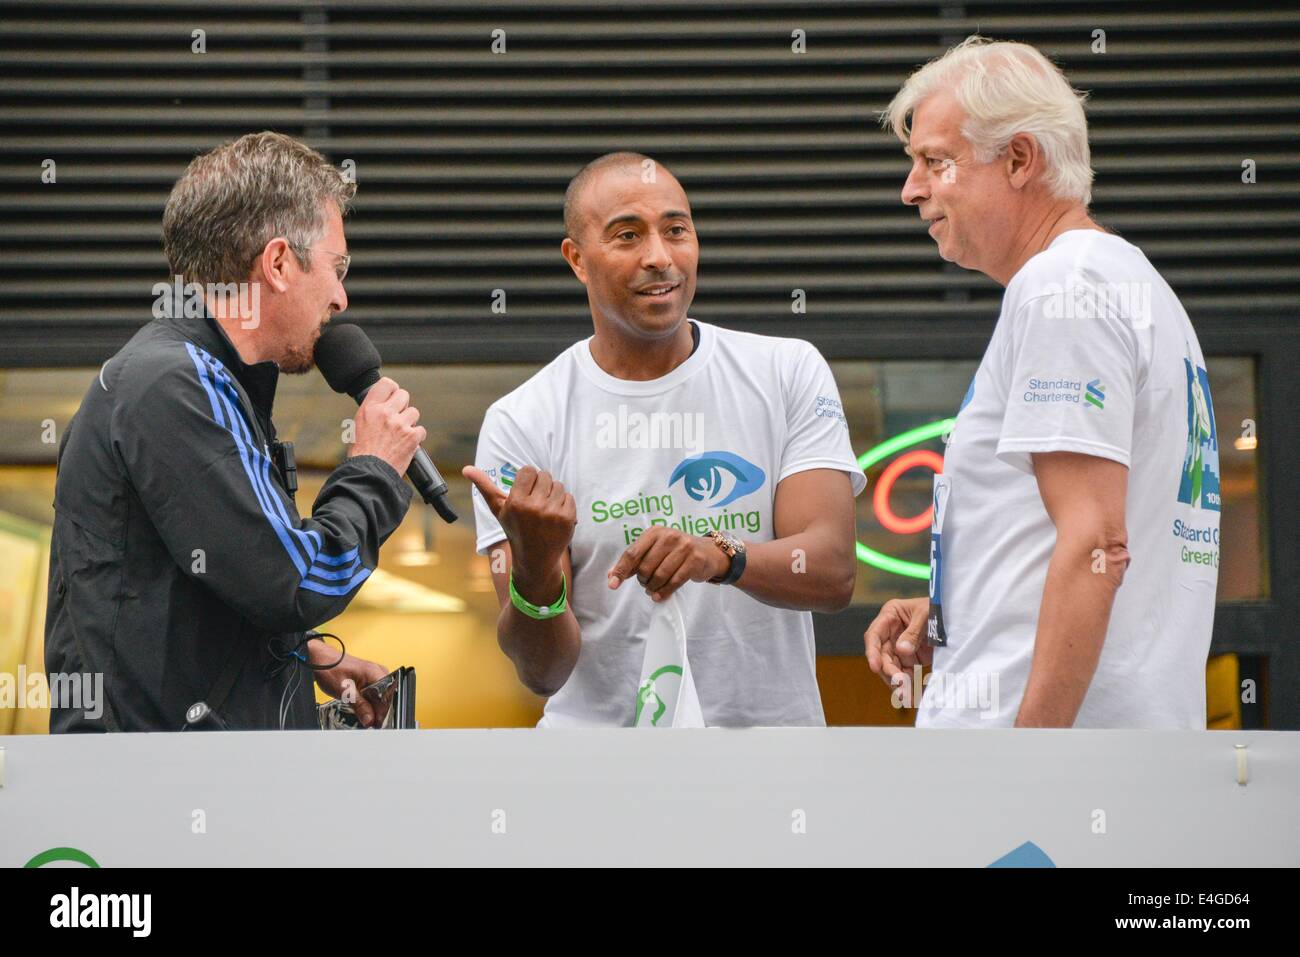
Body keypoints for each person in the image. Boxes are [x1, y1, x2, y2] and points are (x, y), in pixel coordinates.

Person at [864, 37, 1220, 728]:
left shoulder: (1065, 284)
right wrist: (957, 608)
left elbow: (1097, 541)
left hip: (1048, 783)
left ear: (1020, 159)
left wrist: (1033, 768)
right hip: (1110, 757)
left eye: (936, 162)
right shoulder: (1132, 285)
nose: (911, 189)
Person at [464, 152, 865, 727]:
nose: (659, 257)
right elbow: (542, 673)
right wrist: (534, 566)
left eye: (676, 231)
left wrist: (716, 555)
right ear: (577, 259)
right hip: (602, 780)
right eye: (627, 236)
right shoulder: (522, 420)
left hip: (771, 771)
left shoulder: (786, 371)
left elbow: (830, 572)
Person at [45, 131, 423, 732]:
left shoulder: (195, 380)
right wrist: (373, 469)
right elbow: (298, 580)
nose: (341, 297)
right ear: (277, 263)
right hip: (157, 797)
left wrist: (302, 655)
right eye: (337, 267)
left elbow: (197, 586)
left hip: (178, 785)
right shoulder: (177, 383)